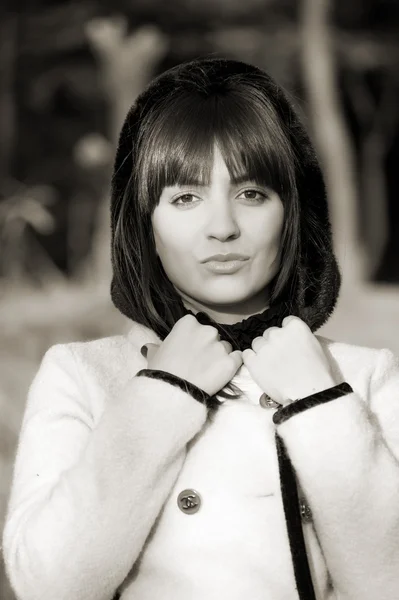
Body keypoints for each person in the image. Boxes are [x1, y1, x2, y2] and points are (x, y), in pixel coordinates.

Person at [3, 57, 399, 600]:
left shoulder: (363, 376)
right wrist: (165, 394)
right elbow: (45, 585)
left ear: (293, 213)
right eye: (185, 197)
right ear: (145, 223)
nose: (222, 228)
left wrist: (320, 403)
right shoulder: (85, 375)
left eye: (251, 194)